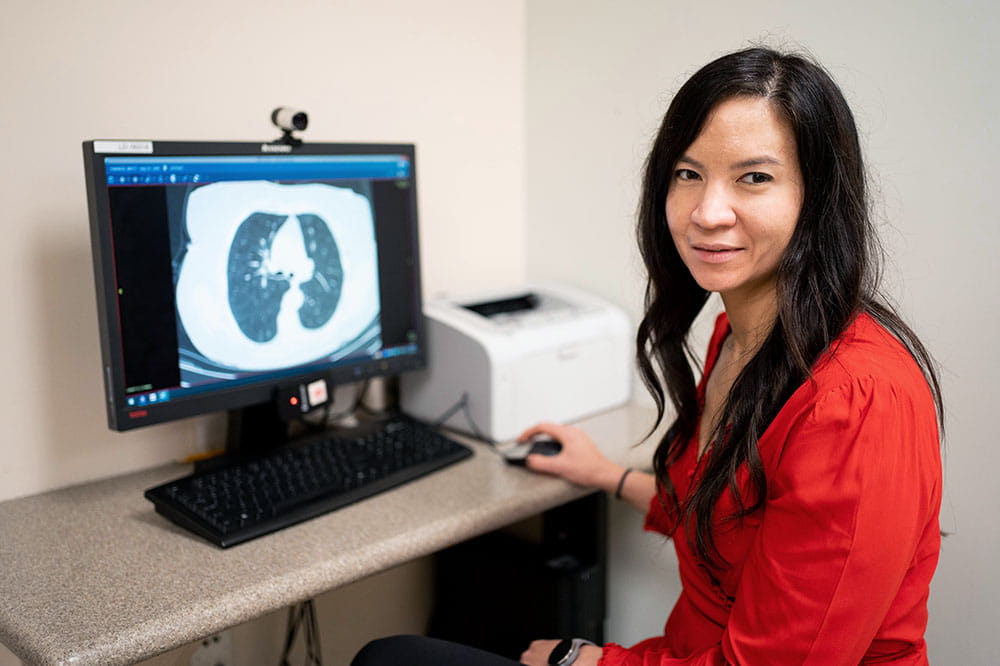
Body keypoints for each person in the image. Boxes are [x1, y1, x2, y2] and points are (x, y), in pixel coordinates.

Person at [352, 46, 943, 666]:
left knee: (391, 658)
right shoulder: (739, 334)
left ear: (816, 198)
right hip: (684, 652)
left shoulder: (855, 402)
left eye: (754, 177)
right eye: (688, 174)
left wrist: (584, 662)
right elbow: (730, 517)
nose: (706, 213)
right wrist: (606, 475)